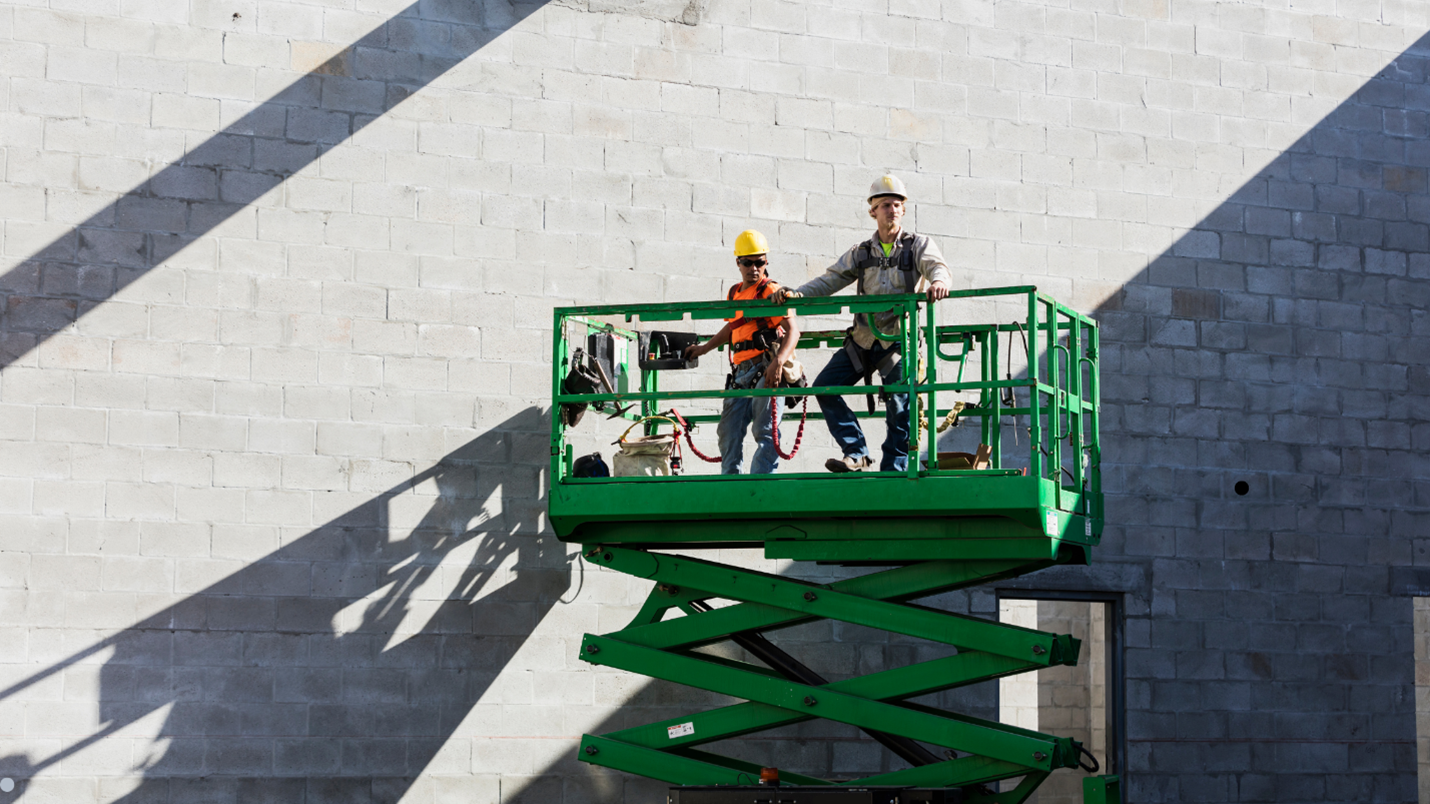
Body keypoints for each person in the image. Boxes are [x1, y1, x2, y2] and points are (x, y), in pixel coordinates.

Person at [776, 175, 951, 473]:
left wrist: (938, 282)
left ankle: (895, 467)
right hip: (862, 341)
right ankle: (856, 453)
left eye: (897, 205)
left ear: (904, 210)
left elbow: (938, 267)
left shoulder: (918, 246)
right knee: (824, 388)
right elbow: (831, 279)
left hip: (899, 341)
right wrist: (797, 294)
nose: (892, 210)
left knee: (899, 403)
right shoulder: (861, 252)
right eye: (885, 205)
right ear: (873, 211)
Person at [683, 230, 801, 475]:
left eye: (760, 262)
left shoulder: (770, 291)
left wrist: (778, 362)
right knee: (728, 431)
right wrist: (704, 349)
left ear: (766, 262)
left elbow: (793, 331)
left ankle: (759, 486)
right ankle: (731, 483)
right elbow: (733, 326)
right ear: (738, 262)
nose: (754, 268)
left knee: (766, 432)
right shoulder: (735, 293)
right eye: (748, 262)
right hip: (740, 374)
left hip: (765, 367)